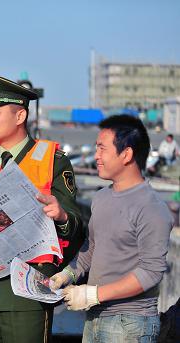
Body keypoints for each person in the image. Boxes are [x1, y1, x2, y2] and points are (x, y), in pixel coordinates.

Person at [0, 73, 84, 343]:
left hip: (27, 291)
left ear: (20, 116)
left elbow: (76, 225)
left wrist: (62, 215)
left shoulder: (52, 161)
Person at [50, 115, 174, 343]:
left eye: (102, 149)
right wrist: (69, 273)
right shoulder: (102, 197)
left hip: (130, 323)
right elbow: (93, 246)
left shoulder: (151, 208)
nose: (95, 156)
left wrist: (93, 294)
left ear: (126, 154)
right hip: (94, 316)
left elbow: (151, 272)